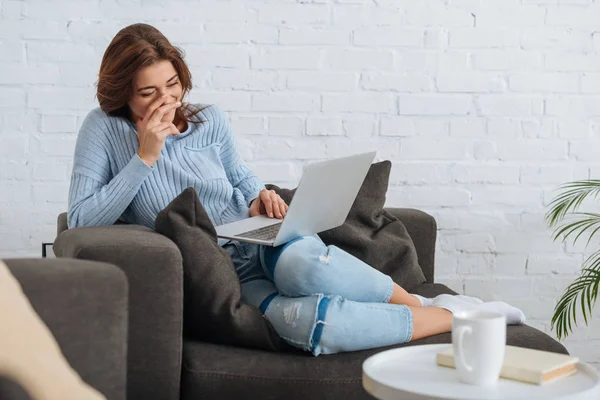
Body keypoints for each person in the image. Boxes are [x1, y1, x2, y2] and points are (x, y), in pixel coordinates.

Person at [68, 23, 525, 356]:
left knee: (303, 270)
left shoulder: (211, 120)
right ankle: (453, 318)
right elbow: (82, 220)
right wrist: (144, 156)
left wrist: (259, 197)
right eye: (148, 93)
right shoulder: (104, 130)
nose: (167, 100)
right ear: (123, 95)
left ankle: (424, 302)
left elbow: (241, 178)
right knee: (314, 326)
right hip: (223, 269)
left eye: (173, 84)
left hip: (261, 236)